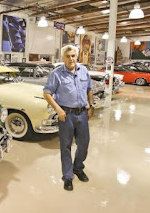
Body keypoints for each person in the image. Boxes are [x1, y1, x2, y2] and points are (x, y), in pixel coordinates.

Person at [43, 45, 94, 191]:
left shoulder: (83, 70)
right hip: (66, 115)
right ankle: (67, 176)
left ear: (76, 56)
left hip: (82, 114)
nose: (71, 59)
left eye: (73, 55)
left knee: (83, 144)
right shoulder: (56, 74)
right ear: (63, 58)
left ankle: (78, 168)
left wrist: (91, 105)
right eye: (68, 56)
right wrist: (58, 109)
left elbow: (89, 88)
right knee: (65, 147)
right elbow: (47, 93)